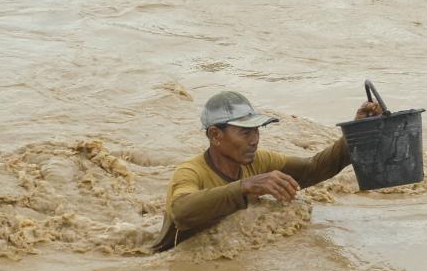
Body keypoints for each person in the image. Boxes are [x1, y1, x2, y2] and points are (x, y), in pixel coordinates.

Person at [152, 91, 382, 251]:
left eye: (257, 131)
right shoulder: (190, 172)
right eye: (245, 132)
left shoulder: (258, 161)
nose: (254, 140)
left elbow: (313, 169)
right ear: (215, 135)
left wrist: (356, 132)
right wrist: (245, 187)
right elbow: (181, 211)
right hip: (176, 256)